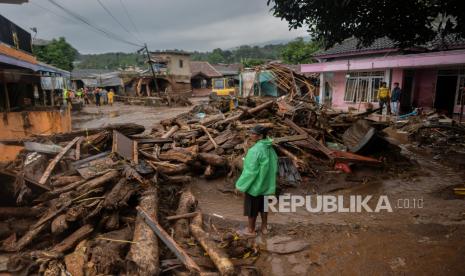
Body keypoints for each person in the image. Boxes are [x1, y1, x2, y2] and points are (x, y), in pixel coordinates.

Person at [235, 125, 278, 237]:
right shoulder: (270, 148)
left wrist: (240, 185)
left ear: (260, 136)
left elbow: (250, 171)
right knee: (263, 207)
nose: (250, 135)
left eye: (253, 134)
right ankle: (264, 228)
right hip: (265, 185)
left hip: (254, 186)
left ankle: (250, 230)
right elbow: (274, 167)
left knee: (252, 208)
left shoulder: (255, 150)